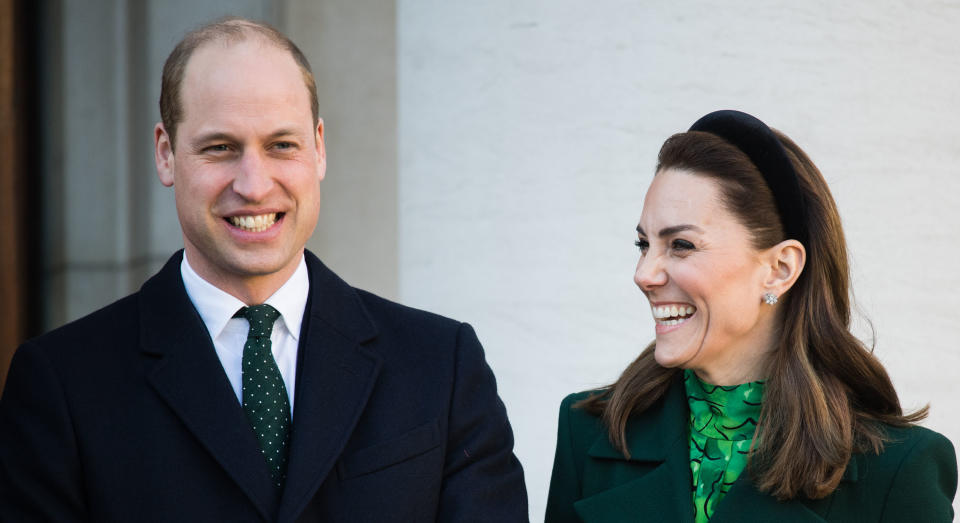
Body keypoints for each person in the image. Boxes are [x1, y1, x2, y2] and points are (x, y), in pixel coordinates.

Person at [0, 18, 527, 522]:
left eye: (281, 145)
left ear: (318, 148)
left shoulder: (441, 365)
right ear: (166, 154)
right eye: (221, 148)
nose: (253, 184)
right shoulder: (62, 384)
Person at [545, 110, 957, 522]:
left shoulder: (896, 471)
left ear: (779, 269)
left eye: (681, 245)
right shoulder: (588, 433)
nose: (644, 274)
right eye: (643, 244)